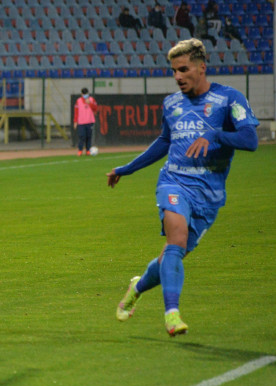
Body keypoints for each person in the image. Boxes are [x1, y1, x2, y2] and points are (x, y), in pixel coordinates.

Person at [109, 39, 258, 337]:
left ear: (201, 68)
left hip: (209, 194)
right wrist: (127, 168)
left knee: (169, 258)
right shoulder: (171, 104)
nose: (178, 76)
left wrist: (217, 135)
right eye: (174, 71)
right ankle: (172, 315)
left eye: (183, 69)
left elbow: (250, 140)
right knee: (175, 240)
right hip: (173, 181)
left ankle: (136, 288)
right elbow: (164, 142)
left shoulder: (229, 99)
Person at [73, 87, 98, 156]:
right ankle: (80, 150)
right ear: (81, 94)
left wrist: (90, 103)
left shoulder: (92, 100)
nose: (85, 95)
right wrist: (75, 122)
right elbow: (76, 112)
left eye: (86, 94)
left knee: (88, 136)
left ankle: (88, 150)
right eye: (84, 94)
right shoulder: (78, 101)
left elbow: (95, 109)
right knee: (82, 136)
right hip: (81, 122)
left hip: (90, 121)